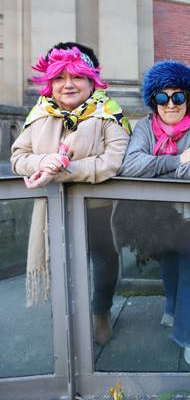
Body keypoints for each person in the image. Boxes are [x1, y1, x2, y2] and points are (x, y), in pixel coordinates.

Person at [10, 42, 131, 345]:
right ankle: (65, 318)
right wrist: (43, 162)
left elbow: (113, 162)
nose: (68, 84)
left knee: (104, 260)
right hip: (53, 207)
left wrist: (64, 168)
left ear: (91, 81)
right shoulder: (39, 113)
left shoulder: (109, 112)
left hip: (98, 206)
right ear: (50, 83)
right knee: (61, 263)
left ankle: (101, 312)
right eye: (60, 77)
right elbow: (18, 158)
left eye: (77, 77)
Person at [117, 60, 190, 366]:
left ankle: (189, 335)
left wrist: (156, 166)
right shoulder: (145, 126)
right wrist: (177, 160)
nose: (171, 104)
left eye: (178, 97)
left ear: (188, 99)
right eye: (162, 97)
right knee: (168, 265)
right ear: (153, 100)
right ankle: (171, 306)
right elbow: (130, 166)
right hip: (155, 217)